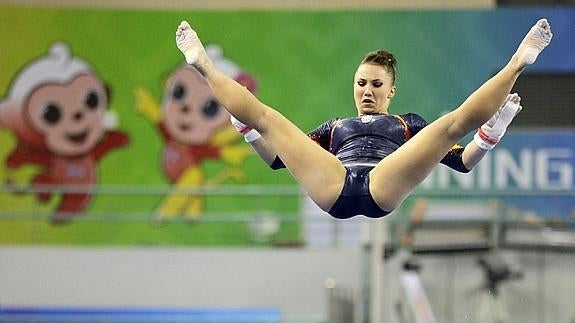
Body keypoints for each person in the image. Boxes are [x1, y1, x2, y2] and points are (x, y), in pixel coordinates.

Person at [175, 18, 552, 219]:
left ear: (391, 91)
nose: (367, 90)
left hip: (381, 186)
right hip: (334, 186)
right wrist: (246, 129)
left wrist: (493, 129)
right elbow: (278, 158)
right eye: (360, 83)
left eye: (376, 84)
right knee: (266, 118)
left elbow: (465, 162)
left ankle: (518, 63)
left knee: (453, 123)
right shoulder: (335, 128)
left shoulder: (409, 125)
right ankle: (203, 65)